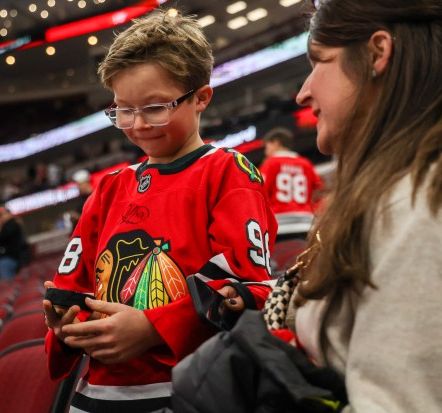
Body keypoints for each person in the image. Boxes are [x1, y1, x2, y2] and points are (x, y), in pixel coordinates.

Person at [290, 0, 442, 412]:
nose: (303, 92)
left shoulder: (434, 207)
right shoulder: (431, 190)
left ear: (377, 53)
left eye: (320, 61)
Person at [43, 9, 277, 412]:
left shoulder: (227, 172)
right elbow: (73, 283)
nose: (137, 125)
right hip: (96, 393)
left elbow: (249, 286)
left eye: (154, 108)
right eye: (123, 110)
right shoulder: (110, 185)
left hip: (189, 388)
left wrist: (154, 328)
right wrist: (66, 325)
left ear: (202, 96)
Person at [259, 127, 324, 238]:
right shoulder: (306, 164)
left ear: (276, 143)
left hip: (280, 226)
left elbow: (259, 192)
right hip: (306, 224)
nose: (266, 151)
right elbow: (320, 192)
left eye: (267, 146)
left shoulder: (270, 163)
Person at [0, 207, 26, 280]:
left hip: (9, 258)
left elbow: (3, 236)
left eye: (3, 215)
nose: (2, 217)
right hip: (11, 258)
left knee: (8, 284)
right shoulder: (9, 225)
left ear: (9, 214)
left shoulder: (11, 224)